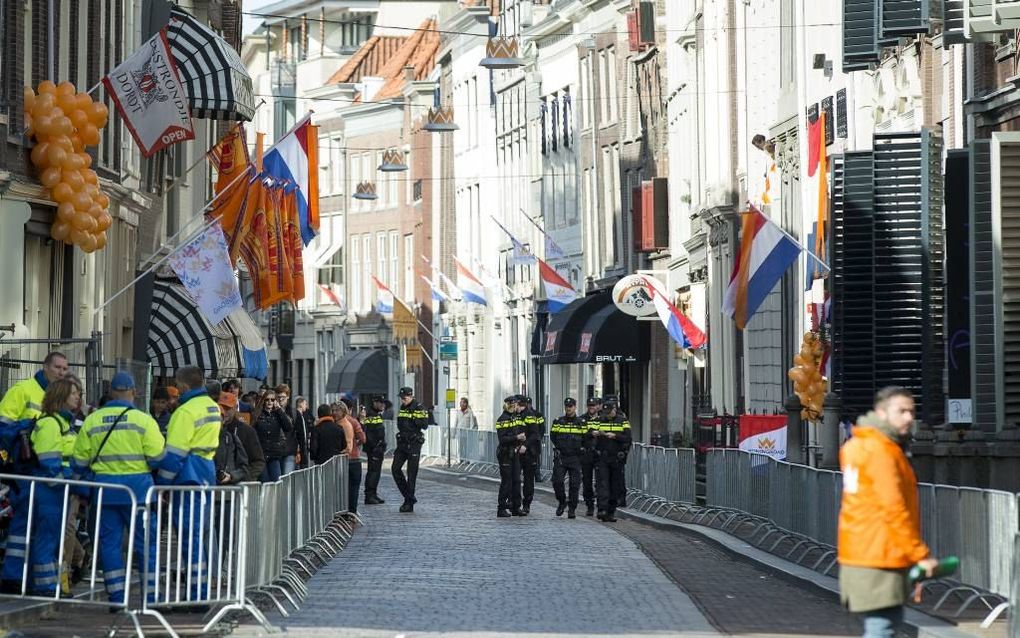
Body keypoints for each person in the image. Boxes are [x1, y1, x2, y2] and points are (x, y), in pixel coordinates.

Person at [838, 387, 939, 638]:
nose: (908, 418)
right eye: (901, 411)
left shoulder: (860, 445)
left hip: (863, 552)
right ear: (882, 413)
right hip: (880, 555)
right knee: (882, 627)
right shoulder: (881, 452)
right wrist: (919, 554)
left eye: (911, 411)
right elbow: (893, 508)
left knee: (883, 626)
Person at [71, 372, 164, 605]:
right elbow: (158, 458)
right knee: (146, 545)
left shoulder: (93, 420)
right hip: (139, 493)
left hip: (105, 492)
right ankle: (151, 596)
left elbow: (79, 462)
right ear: (134, 391)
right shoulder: (143, 420)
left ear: (111, 392)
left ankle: (116, 596)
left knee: (109, 545)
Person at [0, 377, 80, 595]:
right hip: (49, 491)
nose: (77, 397)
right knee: (47, 539)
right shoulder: (51, 424)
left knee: (28, 536)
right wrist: (70, 480)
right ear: (61, 396)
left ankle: (18, 580)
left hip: (46, 490)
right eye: (73, 393)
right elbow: (49, 463)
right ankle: (44, 587)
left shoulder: (62, 425)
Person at [156, 366, 222, 605]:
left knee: (188, 536)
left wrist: (162, 483)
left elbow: (174, 454)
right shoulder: (212, 407)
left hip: (187, 475)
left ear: (182, 385)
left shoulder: (185, 412)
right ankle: (199, 589)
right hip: (205, 471)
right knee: (199, 534)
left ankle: (195, 594)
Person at [0, 351, 69, 427]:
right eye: (57, 367)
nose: (61, 373)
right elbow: (3, 423)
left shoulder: (62, 397)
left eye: (65, 369)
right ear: (45, 367)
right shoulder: (22, 389)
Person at [591, 397, 631, 523]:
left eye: (609, 413)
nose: (607, 415)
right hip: (602, 456)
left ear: (614, 410)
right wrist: (594, 433)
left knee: (615, 486)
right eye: (605, 413)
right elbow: (588, 432)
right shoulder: (599, 420)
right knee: (602, 484)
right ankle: (602, 509)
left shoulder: (623, 421)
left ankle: (611, 512)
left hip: (616, 458)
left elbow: (628, 438)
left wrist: (615, 436)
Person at [392, 387, 428, 513]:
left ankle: (409, 504)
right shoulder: (403, 407)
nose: (402, 400)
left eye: (404, 398)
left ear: (411, 396)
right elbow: (400, 423)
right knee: (395, 469)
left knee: (411, 475)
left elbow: (425, 424)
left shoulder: (419, 407)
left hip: (413, 443)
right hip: (402, 443)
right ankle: (409, 497)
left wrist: (413, 418)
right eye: (401, 398)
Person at [550, 397, 586, 519]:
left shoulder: (581, 422)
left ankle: (572, 508)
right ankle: (562, 501)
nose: (568, 408)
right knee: (557, 481)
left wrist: (582, 450)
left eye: (570, 406)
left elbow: (586, 439)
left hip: (575, 457)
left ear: (575, 407)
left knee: (574, 484)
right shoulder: (558, 422)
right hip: (562, 456)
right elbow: (553, 436)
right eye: (566, 406)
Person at [218, 392, 264, 482]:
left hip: (239, 487)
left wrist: (244, 480)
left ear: (235, 408)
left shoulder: (247, 431)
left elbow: (258, 461)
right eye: (221, 408)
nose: (224, 411)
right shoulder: (211, 430)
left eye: (228, 408)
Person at [252, 389, 292, 482]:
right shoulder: (257, 414)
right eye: (267, 399)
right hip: (261, 454)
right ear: (263, 401)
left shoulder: (278, 414)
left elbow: (288, 427)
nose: (270, 402)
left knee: (276, 482)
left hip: (274, 454)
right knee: (265, 482)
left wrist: (279, 410)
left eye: (272, 400)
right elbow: (252, 432)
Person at [495, 396, 525, 517]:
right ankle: (501, 508)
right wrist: (516, 438)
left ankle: (515, 506)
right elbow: (502, 439)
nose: (514, 407)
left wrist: (521, 441)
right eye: (512, 405)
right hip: (505, 453)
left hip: (514, 452)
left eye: (515, 405)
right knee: (506, 481)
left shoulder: (514, 418)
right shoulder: (502, 419)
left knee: (517, 481)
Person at [215, 392, 250, 485]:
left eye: (228, 409)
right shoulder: (201, 438)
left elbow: (244, 468)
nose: (226, 412)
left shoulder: (232, 438)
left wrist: (231, 476)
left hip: (227, 492)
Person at [519, 396, 545, 515]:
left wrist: (526, 445)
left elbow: (537, 433)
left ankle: (526, 504)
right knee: (514, 478)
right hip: (517, 451)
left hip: (530, 451)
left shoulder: (532, 415)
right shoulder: (514, 415)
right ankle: (515, 502)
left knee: (529, 479)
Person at [340, 399, 367, 515]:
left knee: (341, 487)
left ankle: (342, 510)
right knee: (354, 487)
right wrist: (356, 444)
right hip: (354, 458)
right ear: (350, 409)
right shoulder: (353, 421)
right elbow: (363, 438)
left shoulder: (335, 421)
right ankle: (352, 511)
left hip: (340, 459)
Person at [361, 394, 387, 505]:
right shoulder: (371, 415)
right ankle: (369, 495)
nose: (382, 405)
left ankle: (373, 494)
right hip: (374, 449)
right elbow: (369, 433)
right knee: (373, 472)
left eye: (383, 402)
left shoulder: (376, 414)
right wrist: (375, 447)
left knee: (376, 472)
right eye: (380, 402)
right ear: (375, 403)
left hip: (377, 447)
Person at [579, 397, 602, 516]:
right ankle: (589, 505)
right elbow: (579, 434)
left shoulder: (602, 419)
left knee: (600, 481)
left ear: (597, 406)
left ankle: (601, 506)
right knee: (587, 481)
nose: (591, 408)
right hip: (586, 453)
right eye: (589, 405)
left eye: (593, 405)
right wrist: (590, 433)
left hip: (599, 454)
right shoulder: (582, 419)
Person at [275, 384, 298, 475]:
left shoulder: (294, 413)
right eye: (278, 397)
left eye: (283, 397)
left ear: (288, 397)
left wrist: (303, 459)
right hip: (275, 452)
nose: (280, 399)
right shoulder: (271, 411)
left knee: (287, 478)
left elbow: (300, 434)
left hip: (289, 451)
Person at [293, 397, 313, 469]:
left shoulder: (303, 416)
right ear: (300, 404)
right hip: (299, 447)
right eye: (305, 404)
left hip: (303, 446)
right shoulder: (297, 416)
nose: (306, 406)